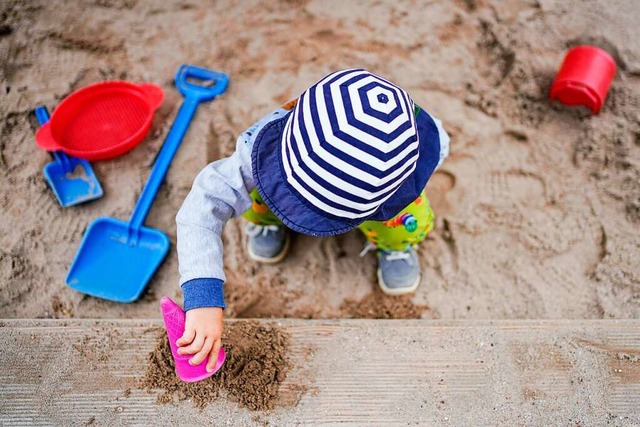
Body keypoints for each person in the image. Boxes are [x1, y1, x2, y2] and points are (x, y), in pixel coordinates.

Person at [175, 69, 450, 371]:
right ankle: (269, 219)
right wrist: (202, 296)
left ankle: (395, 243)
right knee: (257, 193)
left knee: (405, 218)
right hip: (283, 174)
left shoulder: (422, 144)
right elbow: (203, 205)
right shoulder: (259, 148)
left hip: (380, 200)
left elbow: (429, 157)